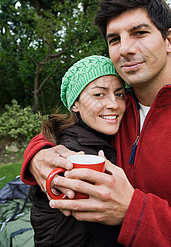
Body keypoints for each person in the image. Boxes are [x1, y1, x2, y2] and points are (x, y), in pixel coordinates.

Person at [21, 0, 171, 246]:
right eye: (114, 39)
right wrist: (38, 154)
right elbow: (68, 132)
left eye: (139, 33)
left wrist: (133, 212)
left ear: (170, 40)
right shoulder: (116, 110)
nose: (124, 49)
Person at [27, 55, 126, 246]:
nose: (114, 103)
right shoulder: (76, 155)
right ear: (75, 105)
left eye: (119, 94)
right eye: (99, 94)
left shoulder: (98, 137)